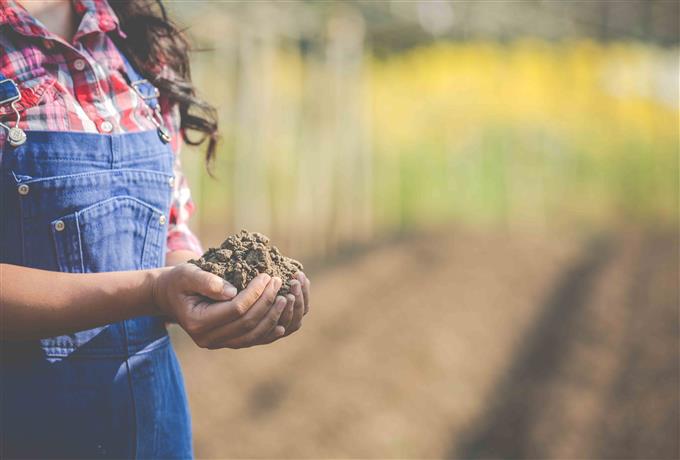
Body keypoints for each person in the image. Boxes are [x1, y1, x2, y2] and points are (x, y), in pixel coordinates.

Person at [0, 0, 311, 458]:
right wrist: (155, 292)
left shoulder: (133, 44)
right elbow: (154, 282)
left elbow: (167, 232)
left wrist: (210, 287)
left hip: (152, 430)